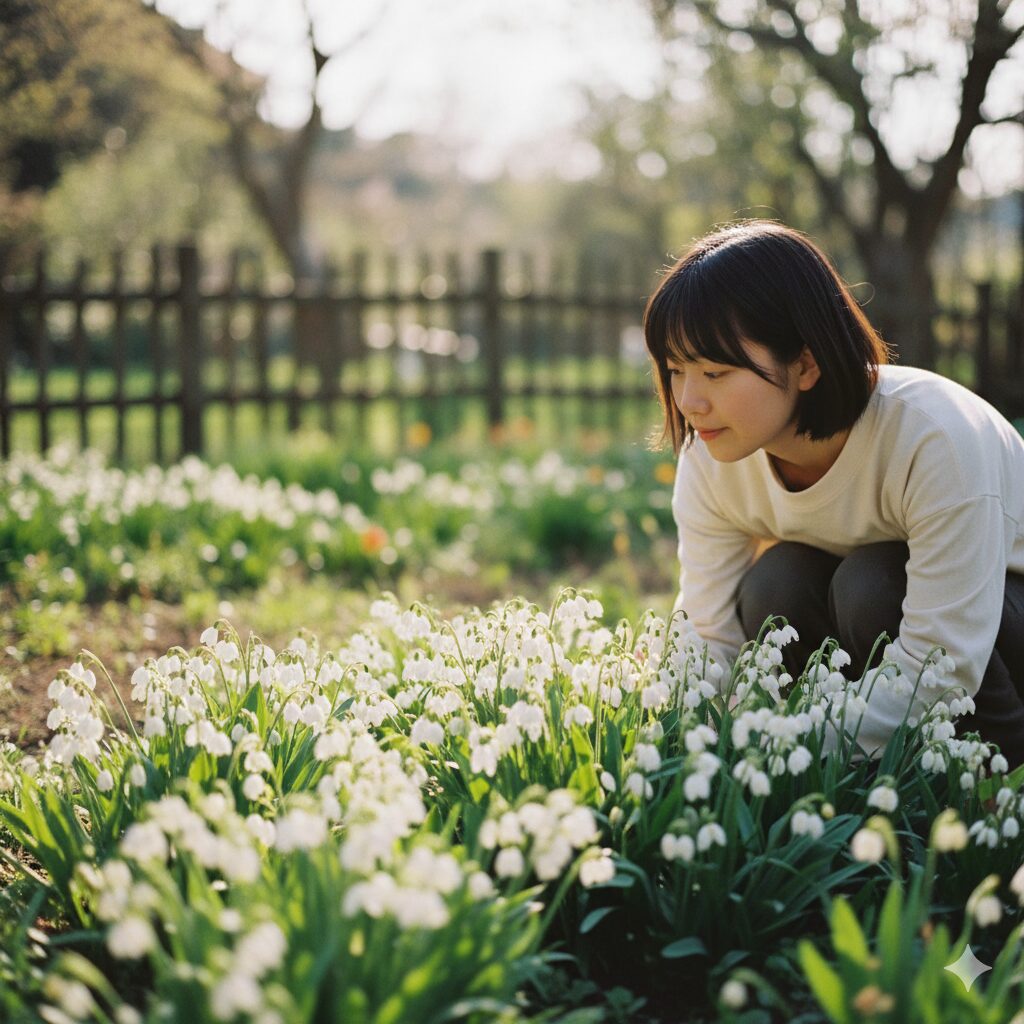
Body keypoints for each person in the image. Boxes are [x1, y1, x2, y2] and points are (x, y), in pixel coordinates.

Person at [643, 220, 1024, 766]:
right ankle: (851, 783)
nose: (689, 401)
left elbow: (946, 665)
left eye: (716, 372)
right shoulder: (711, 457)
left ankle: (995, 786)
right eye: (677, 370)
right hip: (884, 630)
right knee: (777, 581)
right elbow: (709, 631)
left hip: (997, 623)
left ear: (805, 363)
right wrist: (689, 741)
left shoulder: (936, 438)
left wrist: (779, 744)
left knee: (871, 582)